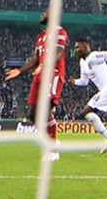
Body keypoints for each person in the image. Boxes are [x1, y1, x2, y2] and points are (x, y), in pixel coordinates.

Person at [4, 8, 69, 161]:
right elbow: (35, 58)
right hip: (39, 76)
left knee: (45, 108)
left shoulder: (60, 32)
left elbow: (58, 53)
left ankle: (52, 150)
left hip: (52, 73)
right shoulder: (40, 37)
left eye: (45, 12)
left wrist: (44, 64)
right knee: (32, 115)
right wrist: (20, 71)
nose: (42, 14)